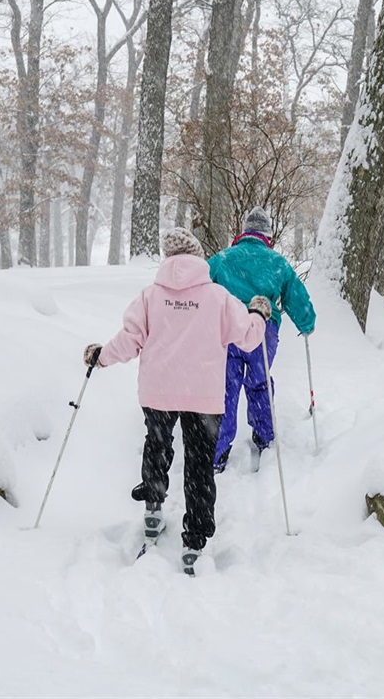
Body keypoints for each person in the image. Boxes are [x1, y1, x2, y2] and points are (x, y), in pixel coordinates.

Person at [83, 227, 272, 575]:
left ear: (168, 259)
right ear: (198, 258)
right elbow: (248, 337)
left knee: (157, 445)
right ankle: (194, 542)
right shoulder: (218, 297)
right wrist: (259, 313)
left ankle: (153, 509)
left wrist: (101, 356)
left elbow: (129, 340)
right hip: (203, 396)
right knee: (199, 466)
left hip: (158, 392)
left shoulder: (150, 297)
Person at [208, 206, 316, 473]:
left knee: (226, 387)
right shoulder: (277, 263)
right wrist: (306, 322)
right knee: (259, 382)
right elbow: (296, 296)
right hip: (264, 331)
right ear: (267, 235)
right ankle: (264, 435)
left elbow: (201, 287)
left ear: (244, 232)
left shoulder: (222, 259)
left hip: (229, 328)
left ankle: (217, 450)